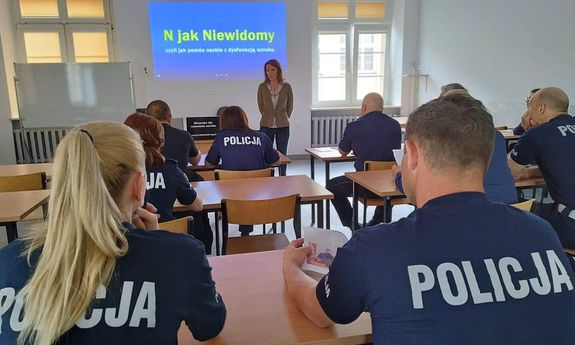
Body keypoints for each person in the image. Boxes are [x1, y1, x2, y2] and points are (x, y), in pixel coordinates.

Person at [283, 98, 575, 344]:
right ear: (487, 159)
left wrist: (291, 265)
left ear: (410, 154)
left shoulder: (373, 249)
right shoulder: (542, 233)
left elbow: (317, 311)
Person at [0, 122, 226, 345]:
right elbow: (208, 326)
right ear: (138, 185)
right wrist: (158, 247)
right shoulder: (180, 255)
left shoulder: (7, 261)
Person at [394, 90, 518, 204]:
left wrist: (399, 175)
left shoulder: (439, 140)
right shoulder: (495, 137)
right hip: (513, 208)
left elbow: (419, 185)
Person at [508, 87, 575, 248]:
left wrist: (528, 133)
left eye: (529, 107)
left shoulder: (538, 134)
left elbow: (508, 173)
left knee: (513, 210)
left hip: (570, 225)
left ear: (541, 108)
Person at [326, 92, 401, 229]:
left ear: (364, 107)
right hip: (392, 186)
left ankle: (353, 225)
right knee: (386, 180)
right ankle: (377, 221)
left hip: (364, 187)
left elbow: (343, 151)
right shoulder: (395, 125)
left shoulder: (355, 126)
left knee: (331, 186)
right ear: (381, 108)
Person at [206, 105, 280, 235]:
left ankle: (226, 218)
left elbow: (209, 164)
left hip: (230, 195)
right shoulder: (261, 136)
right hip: (259, 193)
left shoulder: (221, 137)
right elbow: (276, 161)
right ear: (244, 119)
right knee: (248, 186)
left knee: (234, 185)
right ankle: (246, 229)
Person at [124, 113, 203, 222]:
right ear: (160, 142)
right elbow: (198, 206)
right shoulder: (171, 169)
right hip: (165, 233)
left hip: (128, 235)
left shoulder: (119, 171)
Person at [146, 99, 202, 181]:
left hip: (153, 184)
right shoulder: (184, 135)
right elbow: (195, 161)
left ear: (147, 119)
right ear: (169, 118)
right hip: (181, 184)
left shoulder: (142, 137)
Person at [257, 59, 293, 175]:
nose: (270, 72)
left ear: (278, 71)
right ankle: (268, 176)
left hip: (283, 126)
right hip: (266, 125)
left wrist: (282, 118)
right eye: (267, 70)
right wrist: (269, 116)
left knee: (282, 153)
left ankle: (283, 176)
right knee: (266, 152)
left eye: (273, 69)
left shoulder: (286, 87)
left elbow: (290, 107)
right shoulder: (262, 87)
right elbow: (261, 107)